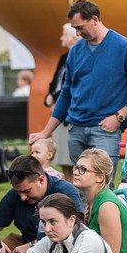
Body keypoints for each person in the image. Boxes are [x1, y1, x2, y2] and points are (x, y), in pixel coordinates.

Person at [29, 0, 127, 183]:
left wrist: (119, 116)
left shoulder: (124, 47)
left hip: (105, 131)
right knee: (80, 187)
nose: (77, 33)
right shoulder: (75, 51)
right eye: (74, 29)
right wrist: (45, 132)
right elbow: (66, 93)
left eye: (80, 27)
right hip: (76, 129)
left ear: (95, 20)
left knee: (102, 188)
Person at [0, 155, 83, 253]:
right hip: (24, 244)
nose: (22, 197)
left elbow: (77, 229)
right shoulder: (14, 195)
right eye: (18, 192)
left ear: (41, 180)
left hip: (60, 247)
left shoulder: (65, 191)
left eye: (27, 191)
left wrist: (33, 246)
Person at [72, 148, 127, 253]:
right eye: (76, 167)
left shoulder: (107, 206)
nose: (76, 172)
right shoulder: (92, 200)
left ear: (100, 178)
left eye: (83, 169)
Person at [44, 23, 79, 179]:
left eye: (64, 34)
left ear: (73, 38)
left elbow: (71, 84)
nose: (61, 38)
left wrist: (55, 96)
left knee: (72, 160)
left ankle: (74, 190)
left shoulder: (79, 56)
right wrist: (50, 95)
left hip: (71, 113)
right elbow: (56, 81)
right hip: (59, 113)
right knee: (63, 159)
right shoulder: (64, 57)